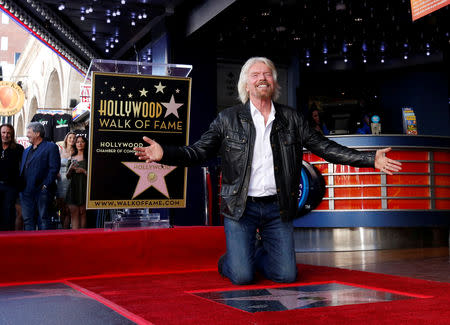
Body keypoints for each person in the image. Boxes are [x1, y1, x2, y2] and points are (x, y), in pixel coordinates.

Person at [134, 57, 402, 285]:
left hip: (278, 207)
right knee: (241, 276)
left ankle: (255, 253)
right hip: (241, 207)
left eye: (267, 74)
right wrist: (165, 153)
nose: (262, 78)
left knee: (286, 275)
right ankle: (232, 259)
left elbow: (324, 147)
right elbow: (198, 152)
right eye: (255, 75)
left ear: (274, 83)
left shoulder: (292, 119)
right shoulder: (227, 120)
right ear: (246, 84)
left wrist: (369, 159)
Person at [19, 122, 61, 230]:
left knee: (43, 219)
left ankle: (44, 245)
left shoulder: (51, 147)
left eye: (29, 132)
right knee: (28, 220)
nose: (27, 135)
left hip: (42, 191)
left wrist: (45, 186)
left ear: (37, 133)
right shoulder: (27, 150)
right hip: (26, 192)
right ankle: (30, 244)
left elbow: (54, 168)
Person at [0, 124, 24, 230]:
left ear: (12, 134)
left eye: (8, 133)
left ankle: (7, 239)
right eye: (3, 132)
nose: (6, 135)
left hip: (11, 187)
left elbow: (23, 168)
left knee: (9, 213)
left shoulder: (18, 149)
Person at [66, 135, 88, 229]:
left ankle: (83, 238)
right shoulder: (71, 158)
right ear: (75, 144)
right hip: (73, 188)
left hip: (85, 188)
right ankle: (75, 238)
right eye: (78, 142)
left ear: (85, 144)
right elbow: (67, 176)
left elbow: (94, 175)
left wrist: (83, 171)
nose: (80, 143)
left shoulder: (89, 157)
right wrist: (70, 169)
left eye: (82, 141)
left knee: (83, 213)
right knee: (74, 213)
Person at [56, 131, 76, 229]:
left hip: (71, 181)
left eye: (74, 138)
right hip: (60, 182)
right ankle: (61, 231)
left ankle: (66, 231)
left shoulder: (76, 152)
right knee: (61, 208)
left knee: (68, 209)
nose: (72, 140)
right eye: (70, 138)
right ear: (66, 139)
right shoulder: (60, 151)